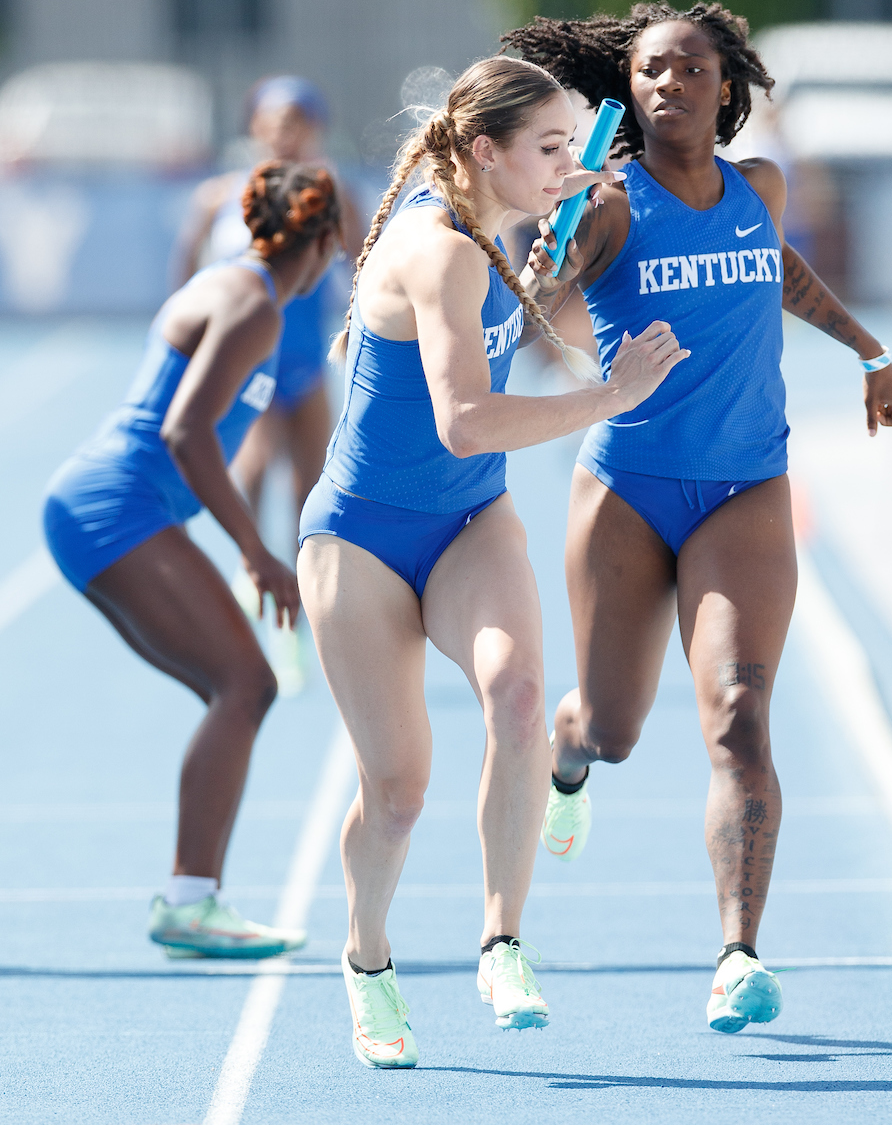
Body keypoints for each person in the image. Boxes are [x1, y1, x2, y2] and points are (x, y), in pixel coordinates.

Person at [503, 2, 892, 1032]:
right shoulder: (609, 202)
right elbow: (540, 279)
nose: (670, 84)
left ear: (727, 87)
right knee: (615, 729)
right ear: (627, 92)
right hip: (630, 491)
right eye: (650, 71)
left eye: (691, 68)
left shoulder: (758, 188)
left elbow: (775, 268)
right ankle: (568, 749)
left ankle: (737, 954)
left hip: (746, 489)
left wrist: (867, 349)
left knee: (738, 718)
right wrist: (547, 244)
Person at [296, 55, 688, 1068]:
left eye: (573, 145)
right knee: (398, 791)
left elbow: (536, 342)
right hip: (361, 539)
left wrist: (560, 274)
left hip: (470, 524)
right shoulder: (444, 251)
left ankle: (502, 939)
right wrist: (612, 395)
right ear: (484, 151)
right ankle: (368, 960)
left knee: (518, 700)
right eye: (550, 149)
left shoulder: (496, 227)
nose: (569, 165)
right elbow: (466, 422)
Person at [43, 161, 342, 959]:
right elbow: (185, 430)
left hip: (107, 506)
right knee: (245, 683)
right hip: (117, 507)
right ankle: (190, 900)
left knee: (235, 688)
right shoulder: (254, 307)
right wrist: (258, 554)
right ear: (325, 242)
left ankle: (192, 897)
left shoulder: (236, 286)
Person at [175, 77, 365, 692]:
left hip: (307, 358)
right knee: (252, 472)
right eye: (276, 120)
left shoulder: (335, 193)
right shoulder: (219, 197)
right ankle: (250, 574)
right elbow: (187, 273)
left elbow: (365, 266)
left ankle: (300, 621)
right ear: (254, 125)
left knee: (311, 492)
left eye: (299, 121)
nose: (287, 132)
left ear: (316, 128)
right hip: (250, 360)